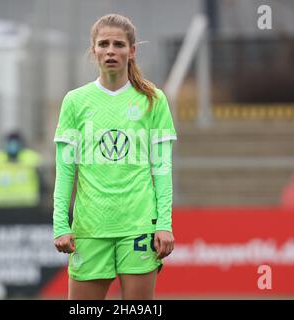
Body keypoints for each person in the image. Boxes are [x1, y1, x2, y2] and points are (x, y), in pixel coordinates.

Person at [52, 14, 177, 300]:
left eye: (118, 44)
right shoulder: (75, 101)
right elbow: (65, 169)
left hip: (138, 226)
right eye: (103, 44)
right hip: (90, 228)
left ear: (132, 51)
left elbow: (162, 168)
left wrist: (164, 224)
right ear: (93, 49)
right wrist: (61, 223)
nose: (111, 50)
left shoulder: (152, 99)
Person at [0, 131, 45, 210]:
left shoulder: (32, 159)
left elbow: (42, 183)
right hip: (1, 207)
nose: (13, 146)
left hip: (28, 207)